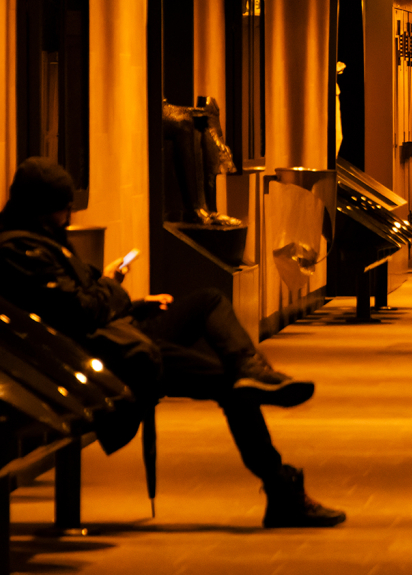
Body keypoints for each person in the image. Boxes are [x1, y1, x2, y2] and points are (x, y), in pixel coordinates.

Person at [0, 157, 345, 528]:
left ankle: (252, 368)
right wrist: (114, 286)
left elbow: (82, 304)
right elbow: (79, 311)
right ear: (42, 209)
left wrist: (132, 304)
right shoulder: (21, 251)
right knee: (234, 389)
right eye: (63, 208)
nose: (68, 216)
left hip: (115, 335)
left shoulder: (42, 242)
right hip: (109, 360)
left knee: (208, 300)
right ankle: (280, 487)